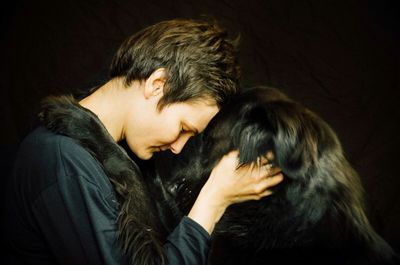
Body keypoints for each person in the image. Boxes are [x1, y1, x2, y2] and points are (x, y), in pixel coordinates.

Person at [4, 19, 284, 265]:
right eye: (183, 128)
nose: (178, 147)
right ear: (157, 84)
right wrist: (213, 200)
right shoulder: (63, 162)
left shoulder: (114, 159)